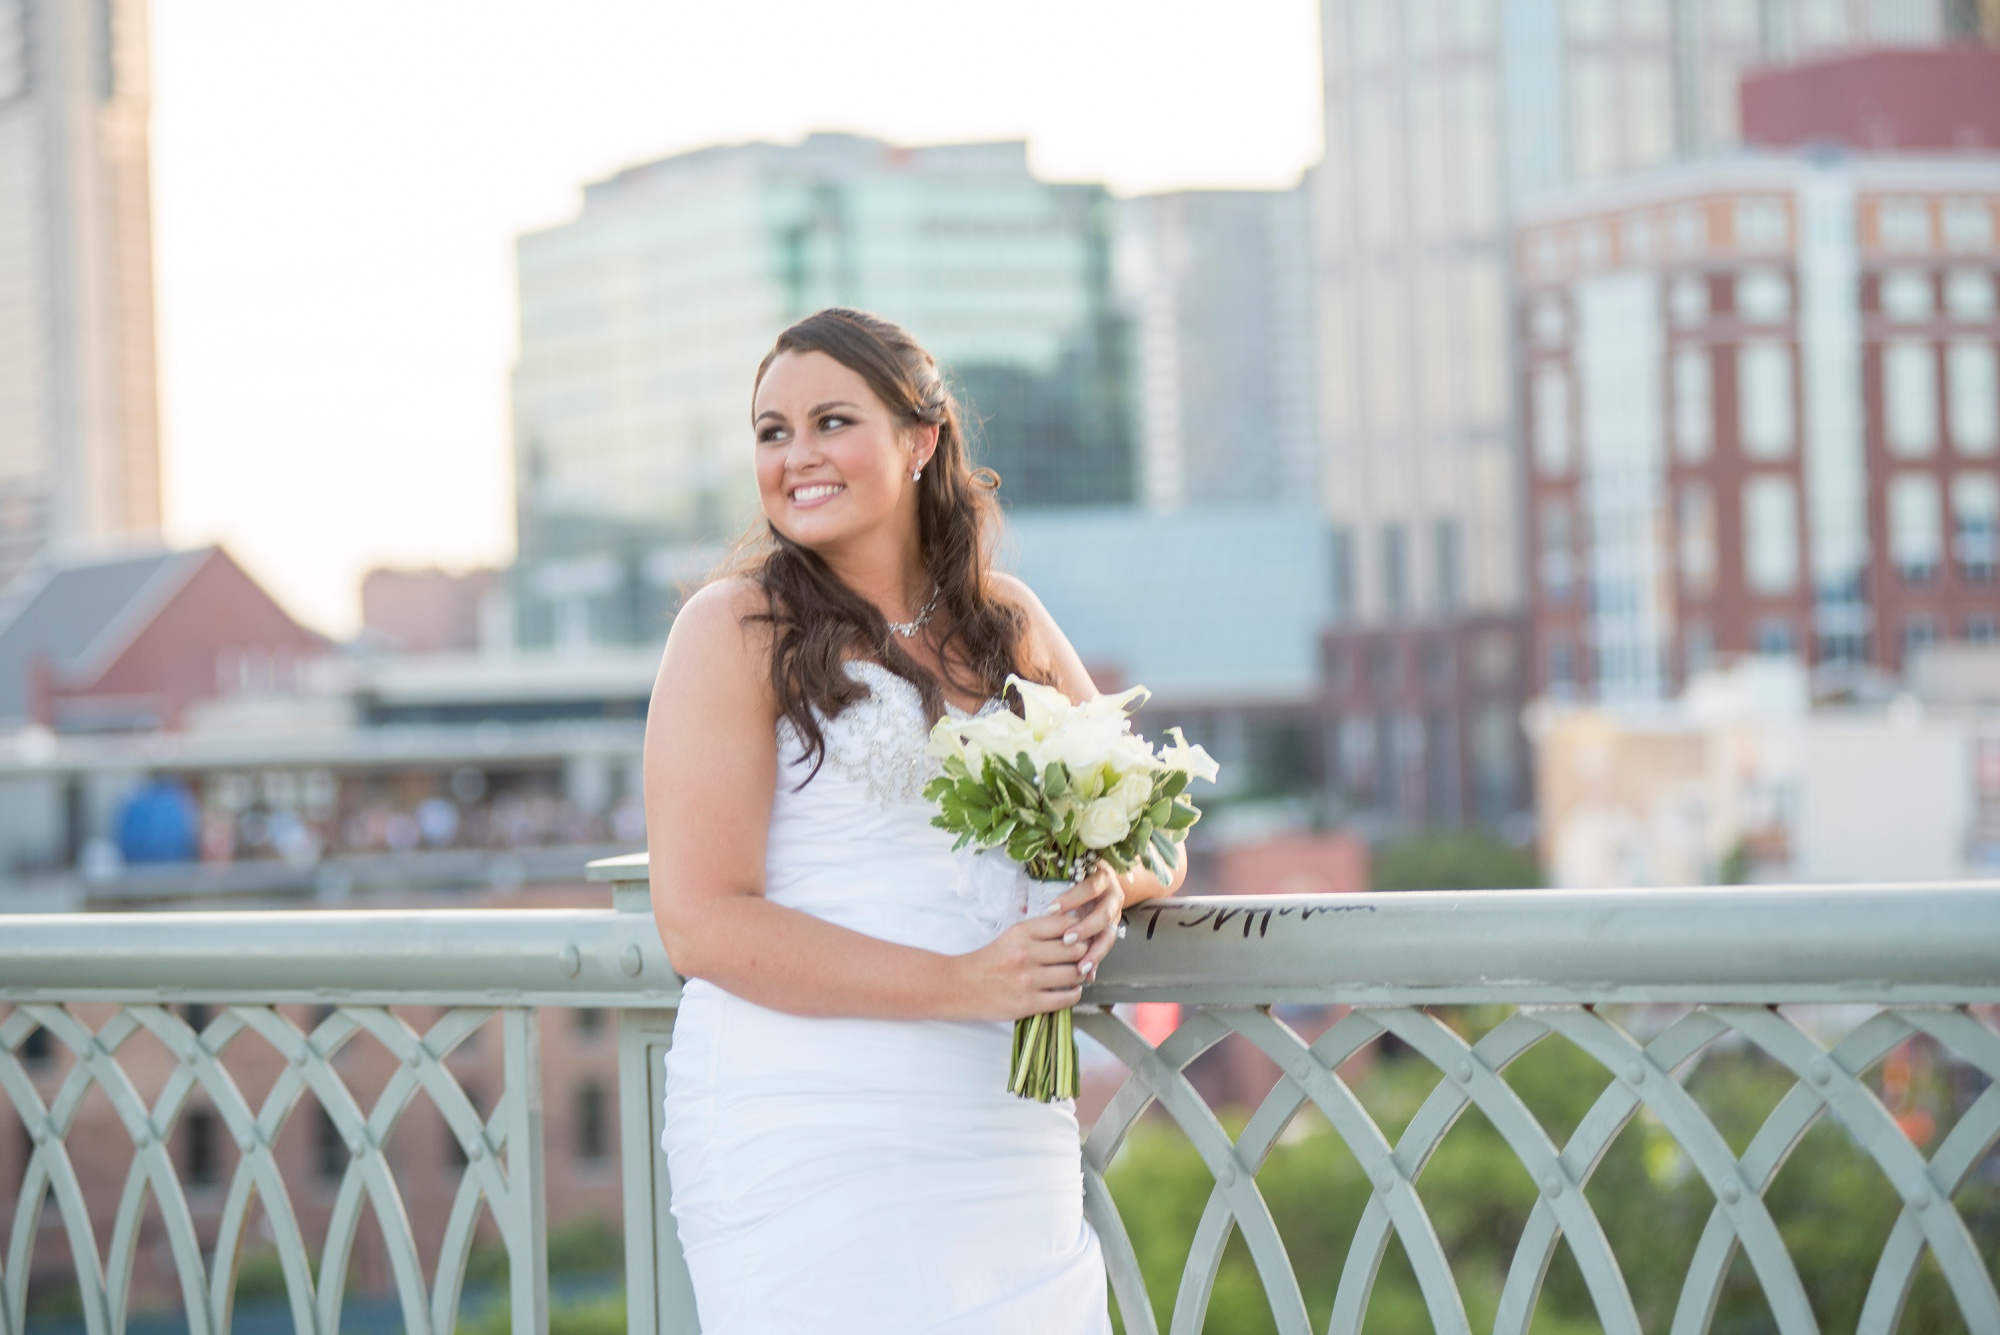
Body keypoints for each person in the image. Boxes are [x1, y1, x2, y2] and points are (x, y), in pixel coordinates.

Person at [643, 306, 1179, 1333]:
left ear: (920, 438)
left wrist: (1109, 882)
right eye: (770, 432)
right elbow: (699, 924)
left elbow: (1158, 830)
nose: (795, 456)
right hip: (804, 1116)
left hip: (1000, 1122)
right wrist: (964, 984)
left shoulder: (1004, 622)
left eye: (829, 422)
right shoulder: (730, 628)